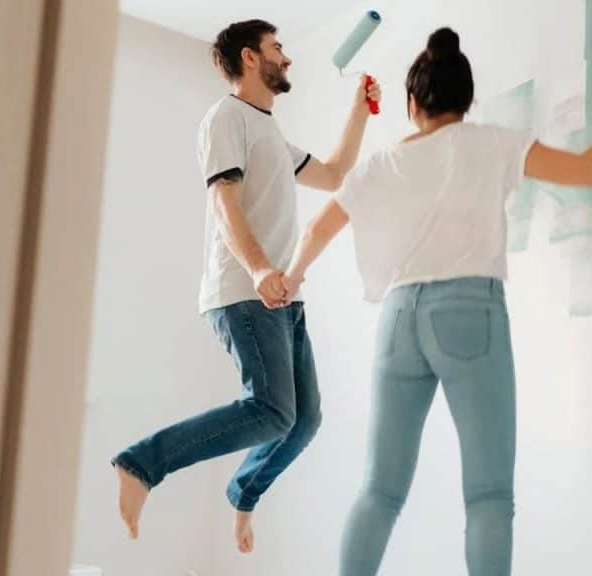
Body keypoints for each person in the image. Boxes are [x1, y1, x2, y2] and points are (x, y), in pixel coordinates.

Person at [279, 27, 592, 576]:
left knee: (379, 490)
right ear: (467, 102)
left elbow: (315, 233)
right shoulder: (492, 142)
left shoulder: (381, 165)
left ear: (411, 104)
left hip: (397, 321)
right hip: (469, 314)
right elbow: (591, 169)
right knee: (489, 497)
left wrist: (288, 280)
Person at [111, 19, 382, 553]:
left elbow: (331, 174)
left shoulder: (270, 133)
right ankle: (141, 462)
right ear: (250, 58)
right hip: (245, 290)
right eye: (279, 48)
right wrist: (259, 269)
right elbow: (224, 201)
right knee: (272, 410)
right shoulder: (226, 118)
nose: (288, 57)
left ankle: (242, 492)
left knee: (303, 421)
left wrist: (359, 110)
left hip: (281, 297)